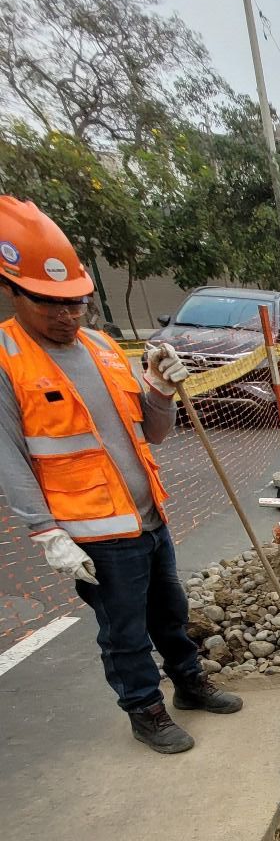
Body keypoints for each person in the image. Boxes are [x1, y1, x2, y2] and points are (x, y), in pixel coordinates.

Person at [0, 197, 242, 754]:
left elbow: (151, 432)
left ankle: (188, 685)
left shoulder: (103, 347)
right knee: (124, 630)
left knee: (170, 611)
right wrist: (45, 533)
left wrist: (161, 389)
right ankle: (145, 710)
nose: (67, 314)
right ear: (12, 290)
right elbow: (9, 457)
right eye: (49, 303)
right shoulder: (9, 361)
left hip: (147, 514)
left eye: (75, 302)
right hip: (92, 534)